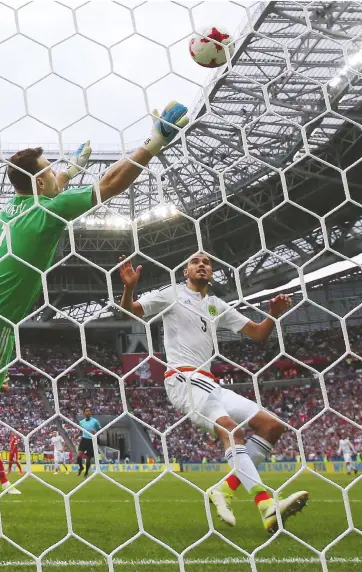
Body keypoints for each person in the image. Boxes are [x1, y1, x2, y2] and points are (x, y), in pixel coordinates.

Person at [0, 100, 189, 393]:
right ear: (38, 184)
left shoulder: (13, 208)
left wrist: (72, 170)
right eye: (50, 171)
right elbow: (110, 184)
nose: (56, 174)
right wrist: (156, 141)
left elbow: (48, 189)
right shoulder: (46, 213)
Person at [119, 252, 308, 533]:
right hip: (182, 378)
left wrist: (273, 315)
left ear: (212, 271)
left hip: (210, 383)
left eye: (207, 261)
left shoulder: (216, 304)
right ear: (186, 271)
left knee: (272, 426)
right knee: (233, 432)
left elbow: (257, 333)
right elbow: (130, 311)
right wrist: (129, 286)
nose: (202, 264)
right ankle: (266, 504)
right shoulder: (172, 294)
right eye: (196, 261)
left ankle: (223, 489)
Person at [77, 407, 101, 478]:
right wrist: (77, 435)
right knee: (79, 456)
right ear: (84, 413)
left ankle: (86, 473)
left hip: (91, 440)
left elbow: (100, 430)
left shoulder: (95, 421)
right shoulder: (81, 422)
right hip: (84, 439)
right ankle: (81, 467)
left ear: (91, 413)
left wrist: (95, 432)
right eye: (86, 411)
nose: (88, 412)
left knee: (88, 458)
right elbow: (81, 431)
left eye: (89, 411)